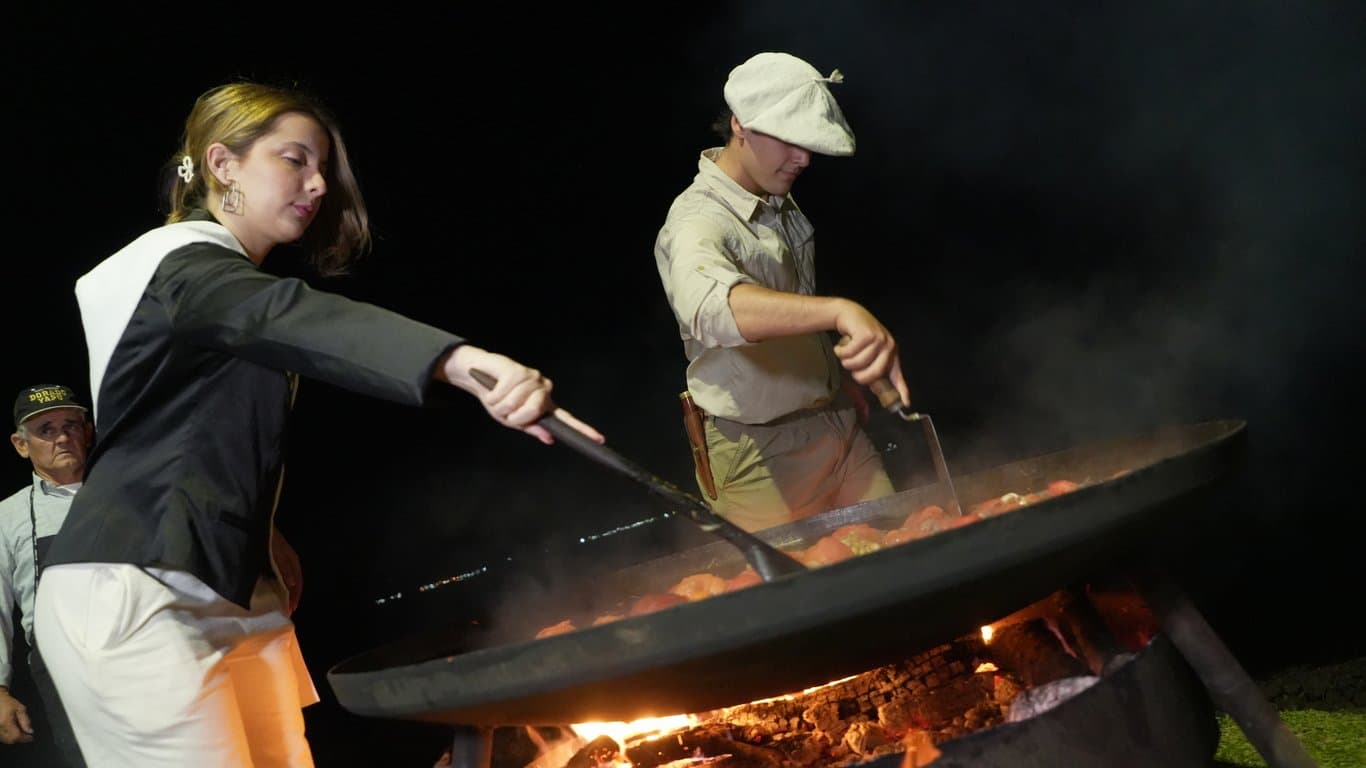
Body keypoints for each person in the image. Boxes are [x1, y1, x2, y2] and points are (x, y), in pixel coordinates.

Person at [34, 80, 605, 768]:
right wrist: (461, 361)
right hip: (135, 591)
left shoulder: (213, 284)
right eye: (295, 160)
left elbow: (182, 422)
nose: (318, 185)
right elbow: (288, 316)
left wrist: (260, 531)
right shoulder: (177, 266)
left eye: (324, 168)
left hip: (223, 588)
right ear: (222, 163)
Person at [654, 51, 911, 533]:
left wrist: (830, 376)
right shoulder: (696, 220)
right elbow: (710, 308)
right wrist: (840, 311)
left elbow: (790, 304)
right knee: (803, 578)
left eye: (809, 142)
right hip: (758, 454)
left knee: (905, 544)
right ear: (740, 125)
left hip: (836, 425)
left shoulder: (776, 198)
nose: (804, 158)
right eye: (789, 140)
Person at [1, 384, 92, 767]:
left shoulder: (126, 495)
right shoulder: (8, 515)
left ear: (88, 432)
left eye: (71, 425)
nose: (63, 437)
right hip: (65, 672)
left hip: (146, 655)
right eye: (46, 430)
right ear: (21, 445)